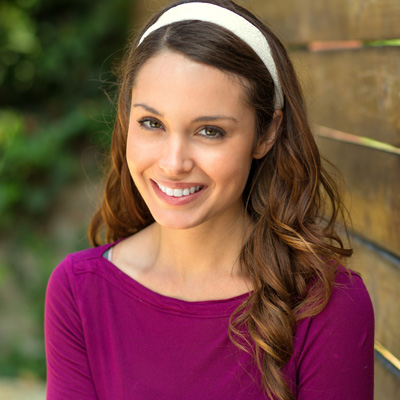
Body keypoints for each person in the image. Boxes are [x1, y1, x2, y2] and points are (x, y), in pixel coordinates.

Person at [44, 1, 374, 399]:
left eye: (210, 131)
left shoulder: (328, 304)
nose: (173, 162)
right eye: (152, 123)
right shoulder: (80, 292)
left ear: (267, 133)